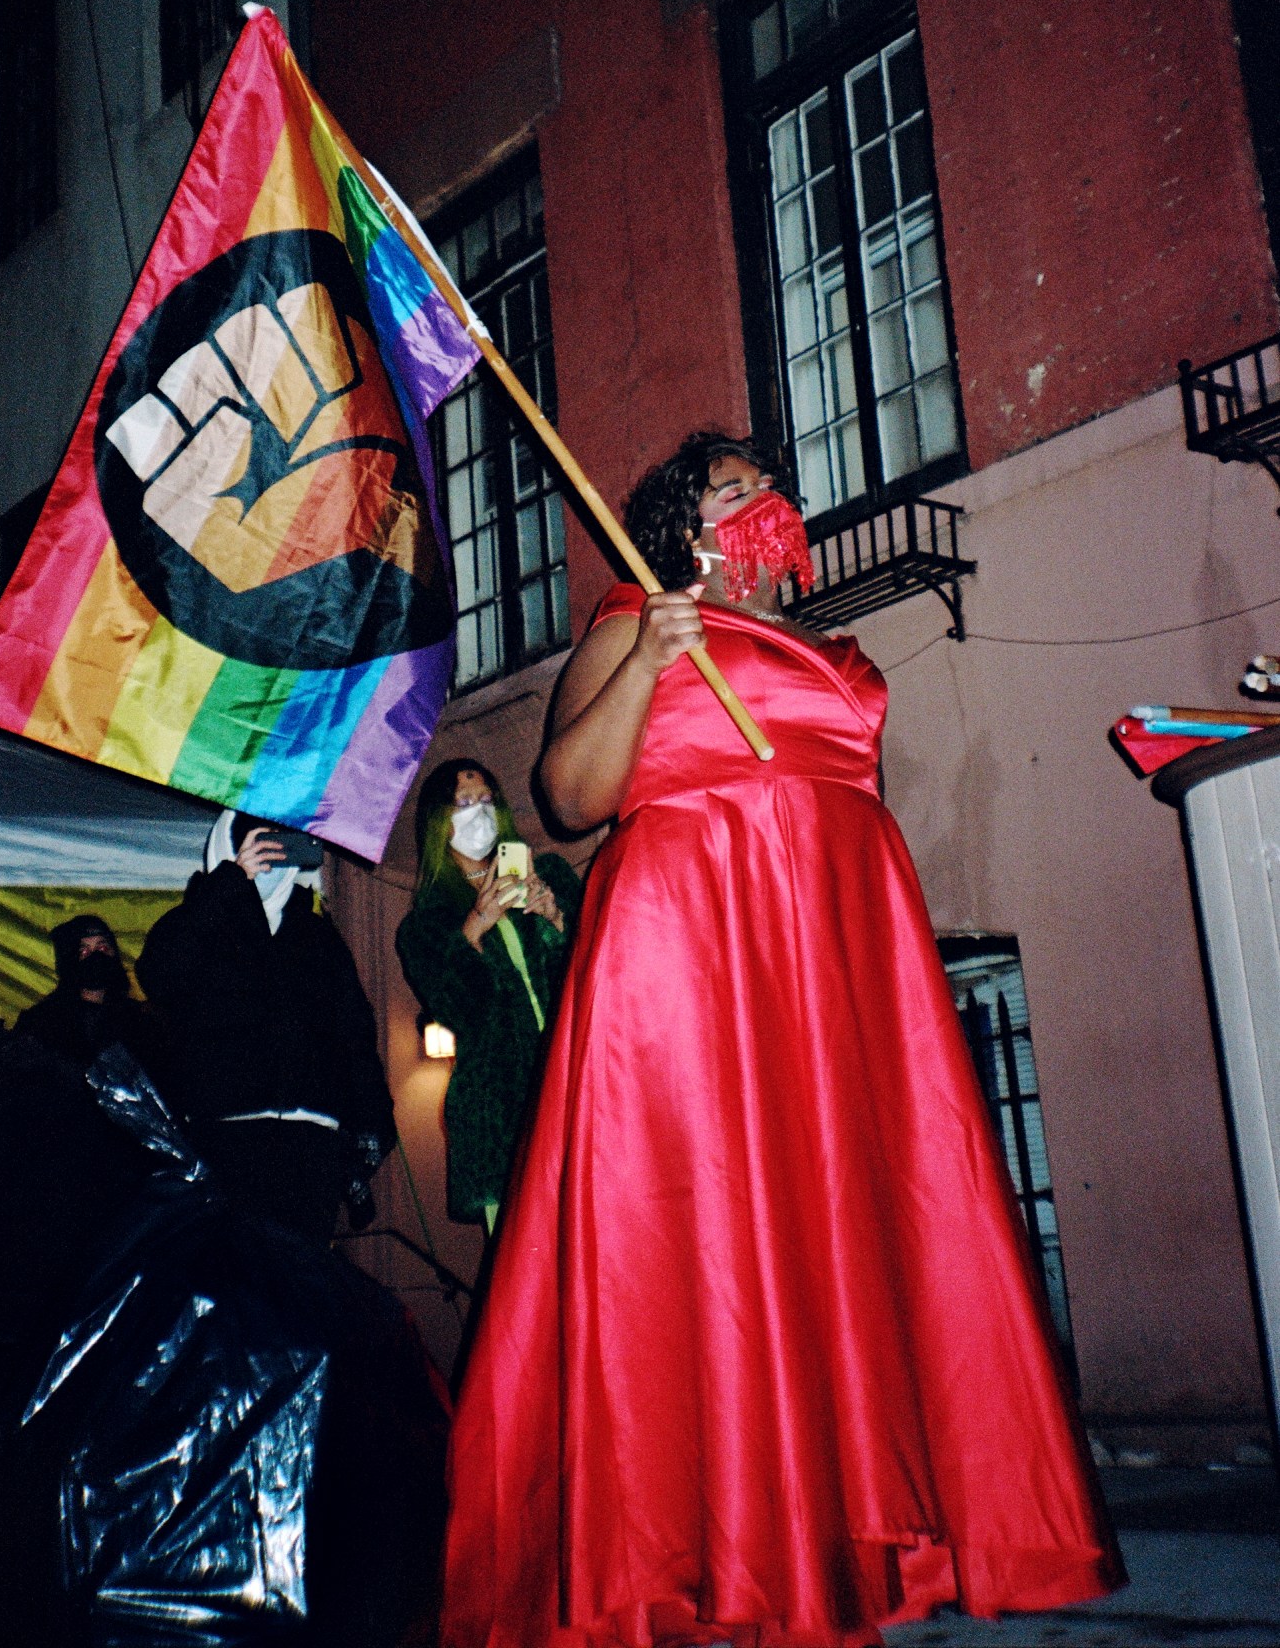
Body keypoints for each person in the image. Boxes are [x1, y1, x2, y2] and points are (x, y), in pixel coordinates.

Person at [441, 431, 1122, 1648]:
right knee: (705, 1229)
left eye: (768, 481)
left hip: (832, 940)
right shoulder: (636, 616)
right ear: (680, 526)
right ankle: (705, 1550)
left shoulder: (831, 647)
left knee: (846, 1224)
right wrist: (653, 654)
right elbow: (569, 797)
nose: (762, 497)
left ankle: (857, 1526)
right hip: (689, 937)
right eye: (727, 486)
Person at [137, 810, 396, 1243]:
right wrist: (230, 882)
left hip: (312, 1142)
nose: (270, 856)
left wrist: (372, 1125)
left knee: (302, 1281)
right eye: (258, 843)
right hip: (230, 1139)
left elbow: (354, 1036)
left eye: (279, 843)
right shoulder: (197, 924)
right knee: (242, 1277)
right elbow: (159, 975)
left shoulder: (316, 936)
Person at [396, 760, 581, 1235]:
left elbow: (601, 976)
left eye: (485, 800)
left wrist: (557, 920)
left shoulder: (551, 875)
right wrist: (473, 931)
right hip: (500, 1114)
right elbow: (463, 1012)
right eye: (463, 803)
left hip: (575, 1088)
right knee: (525, 1258)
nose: (478, 812)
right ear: (439, 820)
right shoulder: (426, 926)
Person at [14, 914, 158, 1072]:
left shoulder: (137, 1018)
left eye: (102, 948)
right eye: (84, 951)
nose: (96, 956)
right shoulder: (42, 1022)